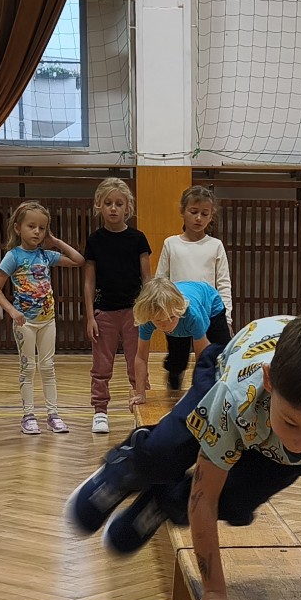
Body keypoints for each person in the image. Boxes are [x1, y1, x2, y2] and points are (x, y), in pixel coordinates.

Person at [67, 312, 301, 600]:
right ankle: (126, 467)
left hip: (270, 439)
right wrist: (213, 591)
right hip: (226, 380)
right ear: (269, 380)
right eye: (291, 423)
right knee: (166, 452)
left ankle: (163, 502)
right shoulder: (236, 397)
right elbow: (205, 494)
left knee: (235, 504)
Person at [0, 199, 84, 435]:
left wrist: (56, 241)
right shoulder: (13, 256)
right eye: (31, 226)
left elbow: (78, 260)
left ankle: (53, 414)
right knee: (28, 367)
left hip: (47, 320)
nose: (37, 232)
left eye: (42, 228)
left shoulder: (46, 255)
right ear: (17, 228)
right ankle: (28, 415)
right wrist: (12, 310)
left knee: (48, 366)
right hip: (25, 322)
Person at [84, 177, 150, 433]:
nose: (113, 208)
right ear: (98, 205)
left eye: (119, 204)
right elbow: (89, 282)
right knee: (101, 366)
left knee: (137, 363)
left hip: (134, 312)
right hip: (105, 311)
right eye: (108, 203)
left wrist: (147, 311)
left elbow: (147, 278)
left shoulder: (138, 239)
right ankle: (100, 411)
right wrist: (90, 317)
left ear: (128, 207)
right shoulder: (95, 240)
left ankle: (140, 407)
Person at [152, 185, 232, 392]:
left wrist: (227, 317)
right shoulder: (171, 244)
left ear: (211, 216)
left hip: (211, 310)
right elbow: (161, 279)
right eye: (193, 212)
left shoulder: (215, 245)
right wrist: (160, 310)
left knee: (218, 352)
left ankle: (212, 389)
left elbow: (223, 283)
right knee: (178, 358)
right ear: (182, 211)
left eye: (204, 214)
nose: (198, 218)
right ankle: (174, 376)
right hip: (176, 312)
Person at [134, 276, 230, 376]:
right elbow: (141, 357)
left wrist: (200, 384)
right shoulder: (148, 317)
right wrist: (141, 386)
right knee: (177, 362)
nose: (166, 325)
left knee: (222, 352)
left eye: (171, 318)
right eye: (158, 320)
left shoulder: (192, 316)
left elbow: (201, 357)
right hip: (180, 309)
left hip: (210, 302)